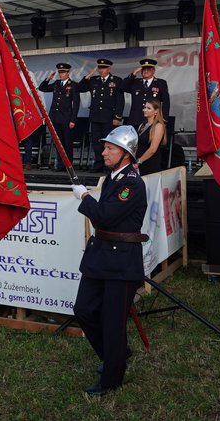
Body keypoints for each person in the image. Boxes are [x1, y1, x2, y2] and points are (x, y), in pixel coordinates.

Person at [70, 126, 147, 396]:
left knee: (113, 321)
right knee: (84, 310)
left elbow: (104, 216)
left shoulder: (132, 183)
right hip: (101, 255)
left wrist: (83, 196)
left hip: (122, 261)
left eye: (110, 148)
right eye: (105, 147)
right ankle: (116, 354)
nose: (104, 152)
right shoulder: (114, 177)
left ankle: (111, 378)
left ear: (126, 154)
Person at [80, 58, 123, 172]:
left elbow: (120, 100)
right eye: (100, 68)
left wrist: (117, 116)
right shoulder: (93, 80)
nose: (101, 70)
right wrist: (86, 77)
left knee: (109, 143)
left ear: (109, 68)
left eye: (104, 68)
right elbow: (80, 88)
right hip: (95, 116)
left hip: (109, 117)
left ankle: (109, 165)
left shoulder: (116, 81)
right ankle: (99, 164)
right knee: (96, 142)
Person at [39, 63, 80, 171]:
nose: (61, 74)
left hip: (66, 118)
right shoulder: (57, 83)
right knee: (59, 142)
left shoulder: (73, 85)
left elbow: (76, 104)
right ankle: (60, 164)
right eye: (60, 72)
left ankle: (68, 165)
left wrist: (73, 120)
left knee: (67, 142)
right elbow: (42, 88)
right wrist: (48, 79)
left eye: (63, 72)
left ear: (68, 73)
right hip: (55, 117)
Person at [120, 58, 170, 129]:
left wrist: (164, 119)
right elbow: (122, 87)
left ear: (153, 71)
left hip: (153, 120)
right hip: (135, 120)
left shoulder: (160, 83)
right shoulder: (135, 82)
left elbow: (166, 102)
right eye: (144, 69)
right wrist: (132, 75)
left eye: (148, 69)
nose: (146, 71)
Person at [136, 99, 167, 176]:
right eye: (145, 107)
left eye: (148, 108)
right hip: (138, 162)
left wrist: (139, 161)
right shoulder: (142, 125)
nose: (145, 110)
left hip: (150, 164)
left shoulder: (158, 126)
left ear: (156, 111)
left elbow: (153, 149)